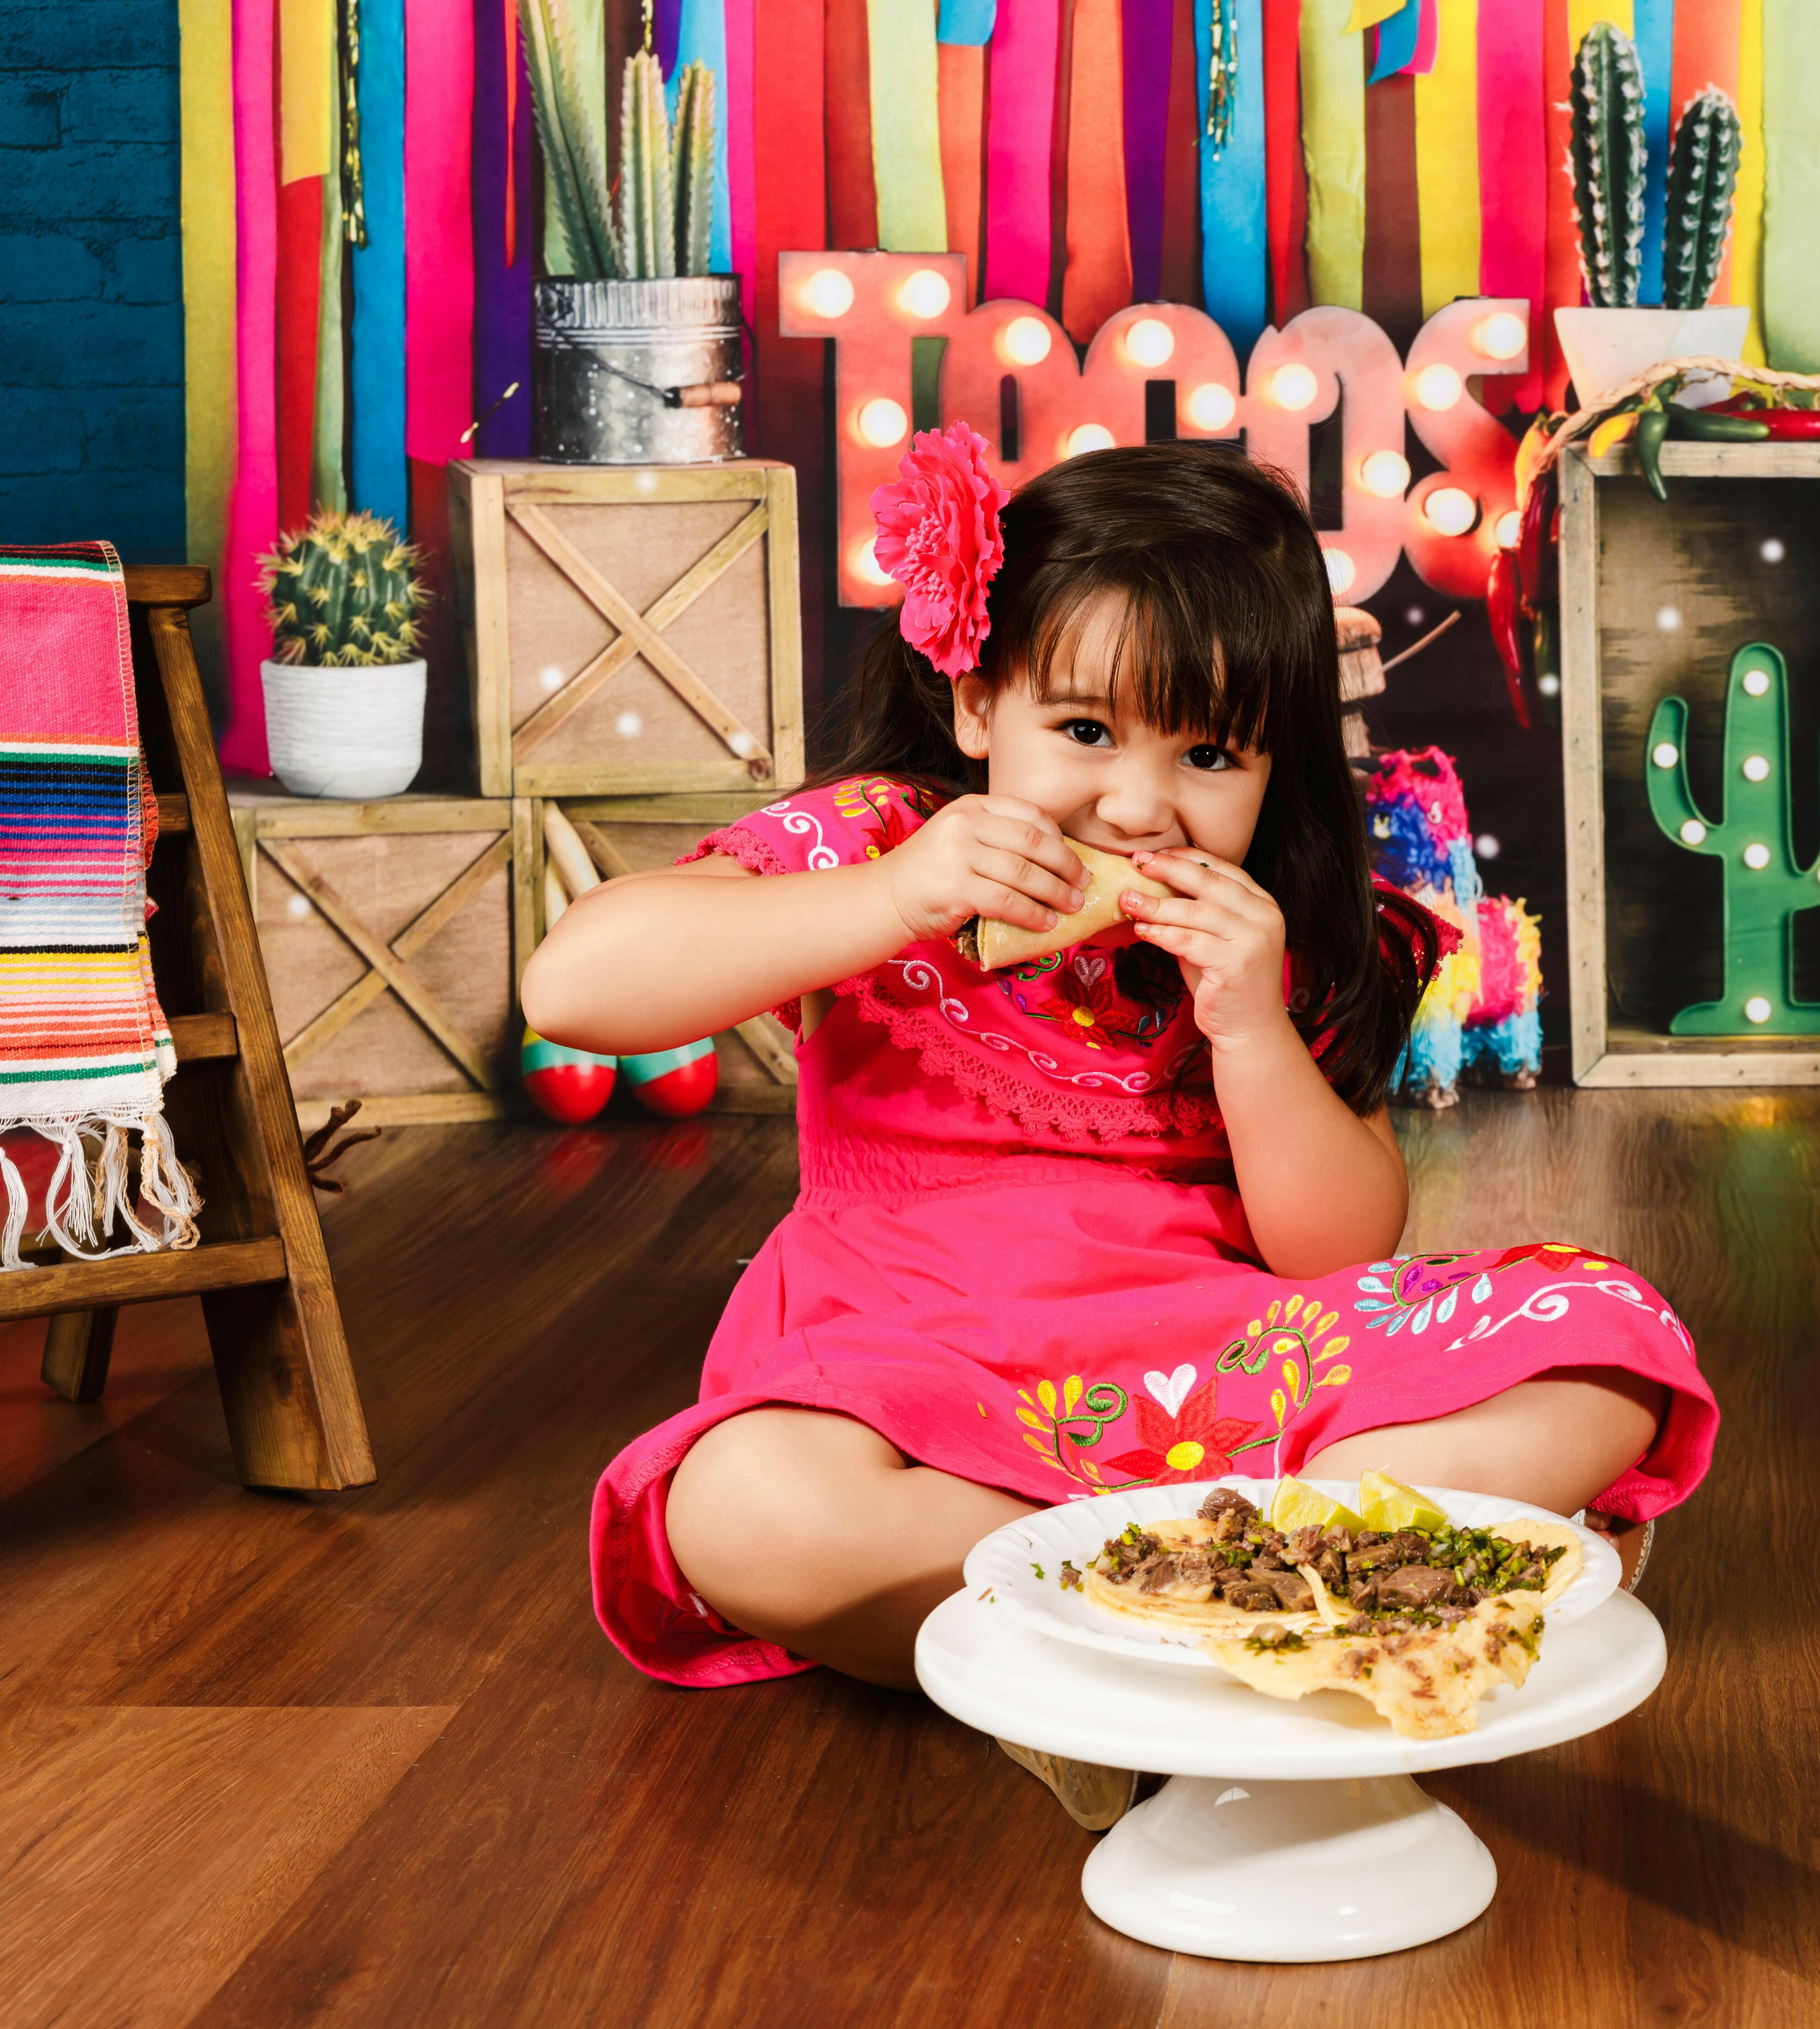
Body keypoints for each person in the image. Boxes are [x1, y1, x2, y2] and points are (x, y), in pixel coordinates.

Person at [532, 431, 1716, 1814]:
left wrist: (1252, 1029)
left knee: (1606, 1350)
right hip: (914, 1379)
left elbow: (1336, 1252)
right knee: (743, 1507)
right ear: (979, 704)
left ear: (1276, 768)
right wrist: (888, 899)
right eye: (1086, 733)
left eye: (1208, 753)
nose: (1140, 808)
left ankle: (1132, 1638)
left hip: (1226, 1385)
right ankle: (1288, 1616)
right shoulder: (883, 845)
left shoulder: (1267, 935)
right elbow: (576, 987)